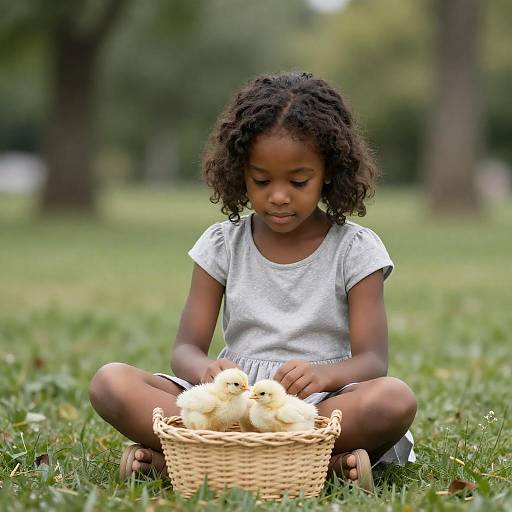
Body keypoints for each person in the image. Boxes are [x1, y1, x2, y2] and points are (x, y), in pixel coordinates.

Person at [89, 72, 417, 490]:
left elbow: (372, 362)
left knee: (393, 399)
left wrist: (323, 376)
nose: (278, 196)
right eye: (261, 180)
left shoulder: (355, 250)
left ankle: (191, 461)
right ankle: (318, 466)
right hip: (229, 403)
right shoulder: (222, 244)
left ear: (330, 172)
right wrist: (207, 369)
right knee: (110, 382)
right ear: (238, 172)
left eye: (298, 181)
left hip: (312, 407)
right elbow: (185, 350)